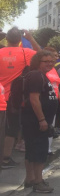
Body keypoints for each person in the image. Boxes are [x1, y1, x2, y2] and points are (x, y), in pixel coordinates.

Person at [0, 27, 40, 169]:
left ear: (7, 39)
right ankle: (5, 159)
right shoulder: (26, 52)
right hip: (14, 97)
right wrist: (30, 39)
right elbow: (42, 55)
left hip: (1, 95)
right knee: (12, 128)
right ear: (20, 40)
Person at [22, 50, 59, 193]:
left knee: (32, 151)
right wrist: (42, 119)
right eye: (46, 61)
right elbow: (34, 99)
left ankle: (30, 179)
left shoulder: (40, 75)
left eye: (51, 61)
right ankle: (38, 181)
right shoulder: (37, 75)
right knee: (39, 152)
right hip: (36, 121)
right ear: (38, 62)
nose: (49, 63)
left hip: (35, 121)